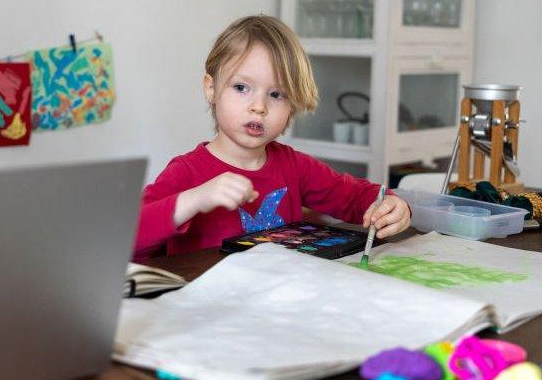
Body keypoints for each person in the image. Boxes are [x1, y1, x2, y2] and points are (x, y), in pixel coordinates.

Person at [134, 15, 410, 260]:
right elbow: (129, 237)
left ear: (293, 104)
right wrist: (195, 198)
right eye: (241, 87)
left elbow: (358, 197)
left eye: (276, 94)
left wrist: (391, 205)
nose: (259, 106)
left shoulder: (295, 166)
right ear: (211, 88)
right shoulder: (187, 172)